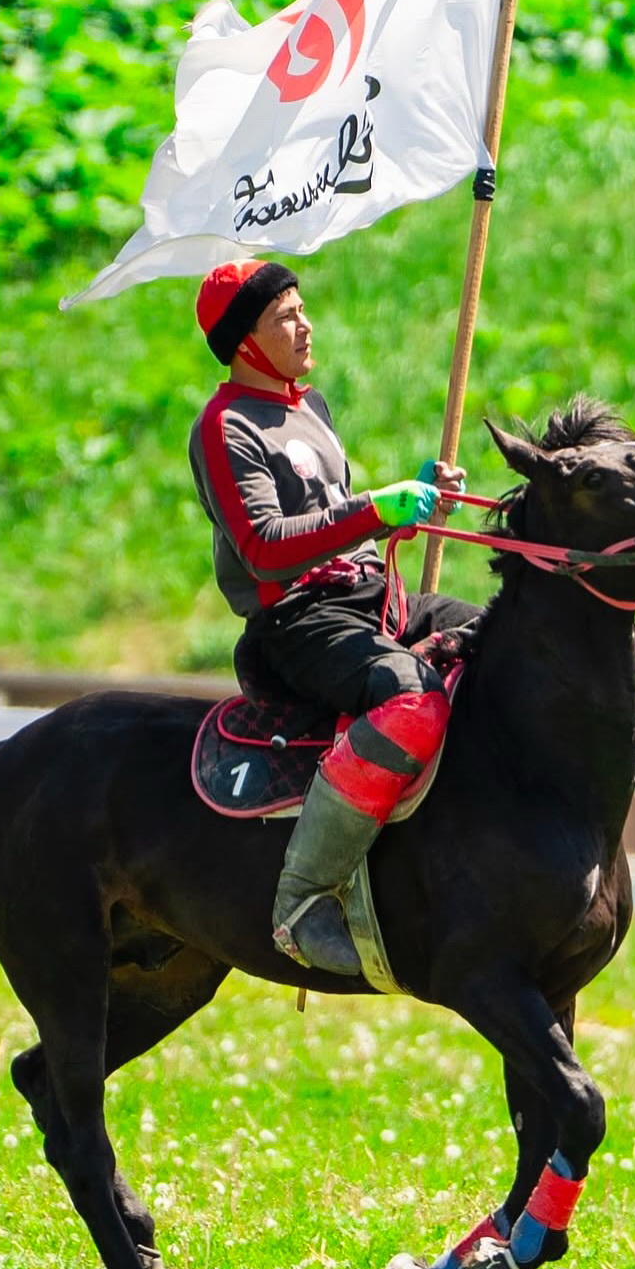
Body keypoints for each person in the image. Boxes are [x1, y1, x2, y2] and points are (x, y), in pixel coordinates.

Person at [188, 260, 480, 978]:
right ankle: (304, 899)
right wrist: (375, 508)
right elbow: (264, 547)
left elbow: (334, 519)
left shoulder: (310, 406)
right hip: (296, 622)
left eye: (301, 308)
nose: (305, 324)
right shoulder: (223, 427)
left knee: (502, 640)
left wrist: (409, 504)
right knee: (409, 697)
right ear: (244, 342)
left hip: (374, 597)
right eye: (284, 316)